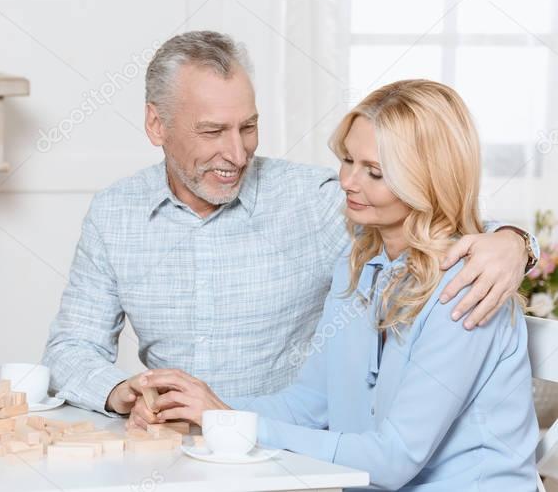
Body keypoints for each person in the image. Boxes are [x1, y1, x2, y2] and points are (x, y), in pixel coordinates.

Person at [43, 31, 537, 418]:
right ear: (157, 125)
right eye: (212, 131)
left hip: (290, 448)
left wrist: (514, 242)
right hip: (176, 448)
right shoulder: (115, 215)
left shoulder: (318, 201)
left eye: (248, 127)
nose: (236, 154)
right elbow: (72, 348)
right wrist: (121, 392)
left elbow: (427, 208)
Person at [137, 80, 537, 490]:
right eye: (347, 159)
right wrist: (201, 413)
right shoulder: (360, 265)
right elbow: (310, 404)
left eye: (374, 172)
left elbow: (394, 460)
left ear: (428, 181)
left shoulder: (469, 286)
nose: (348, 181)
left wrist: (240, 429)